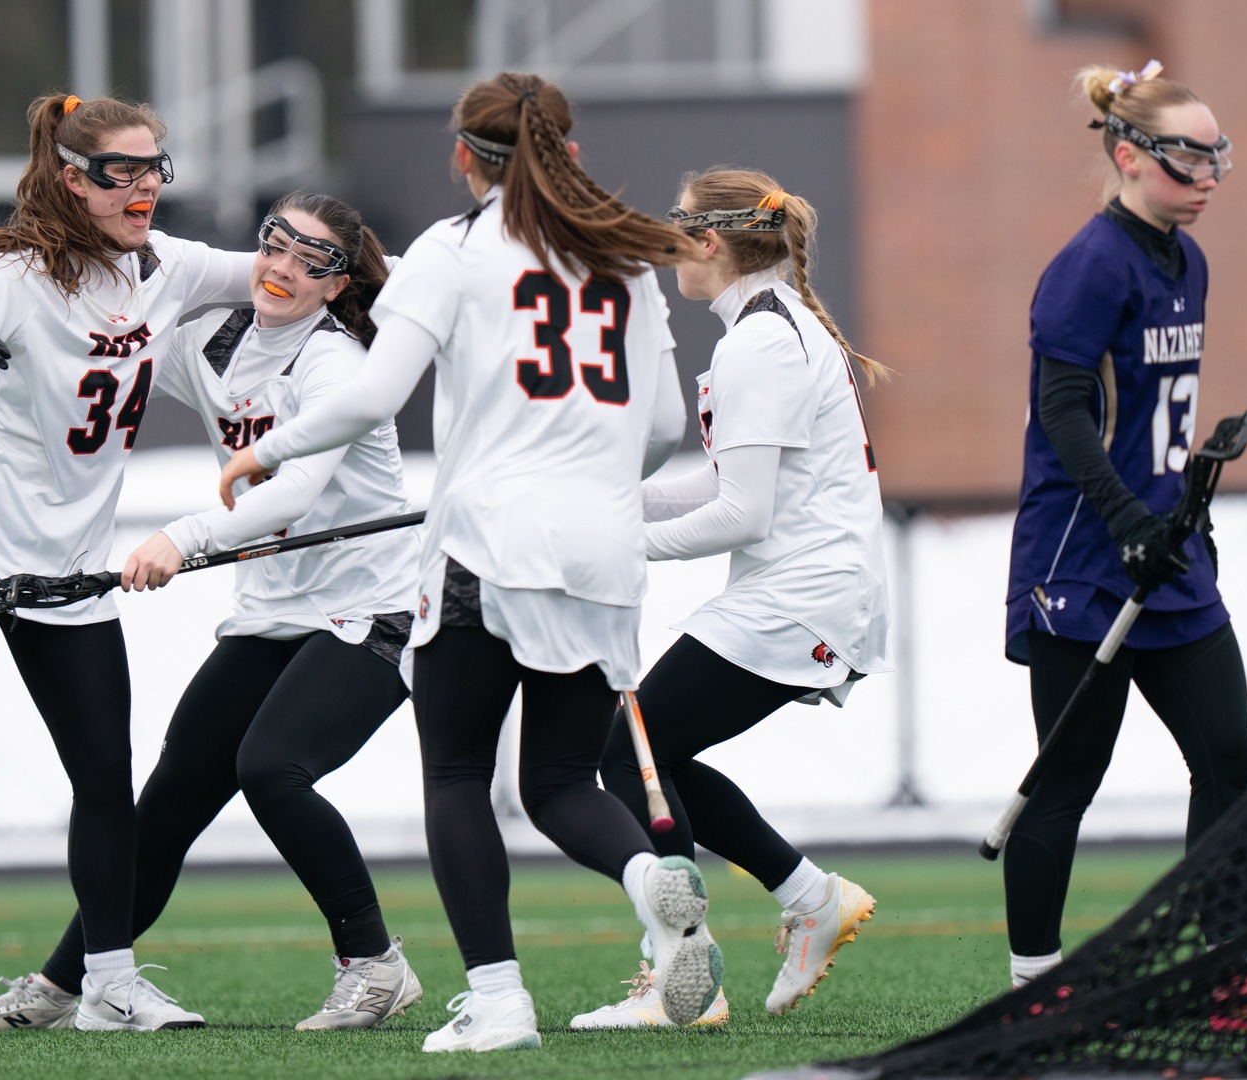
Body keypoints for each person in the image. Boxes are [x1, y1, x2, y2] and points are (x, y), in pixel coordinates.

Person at [216, 71, 718, 1053]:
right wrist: (591, 469)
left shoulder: (451, 250)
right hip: (604, 547)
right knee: (566, 781)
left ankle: (498, 1004)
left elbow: (371, 397)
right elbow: (660, 425)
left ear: (463, 158)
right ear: (568, 153)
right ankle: (643, 879)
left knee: (453, 774)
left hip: (485, 543)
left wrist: (264, 449)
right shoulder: (627, 258)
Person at [0, 192, 427, 1034]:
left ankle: (374, 963)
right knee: (167, 804)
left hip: (367, 609)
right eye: (276, 246)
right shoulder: (214, 340)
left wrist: (183, 539)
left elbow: (294, 487)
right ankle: (62, 986)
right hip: (273, 610)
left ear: (338, 286)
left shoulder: (336, 365)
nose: (284, 270)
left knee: (273, 768)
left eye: (313, 262)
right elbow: (88, 359)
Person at [0, 91, 255, 1040]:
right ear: (71, 178)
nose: (145, 187)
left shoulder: (168, 269)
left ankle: (111, 982)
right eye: (121, 170)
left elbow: (283, 273)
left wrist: (444, 275)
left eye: (155, 167)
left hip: (67, 559)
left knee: (103, 774)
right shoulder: (9, 275)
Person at [580, 166, 891, 1030]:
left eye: (678, 225)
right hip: (797, 590)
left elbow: (742, 513)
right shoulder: (766, 324)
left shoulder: (756, 341)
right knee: (647, 752)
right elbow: (730, 485)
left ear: (709, 240)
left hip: (801, 597)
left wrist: (613, 539)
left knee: (630, 753)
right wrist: (612, 499)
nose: (671, 240)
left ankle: (686, 976)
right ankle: (806, 898)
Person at [1002, 61, 1247, 991]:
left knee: (1228, 756)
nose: (1208, 181)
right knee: (1066, 780)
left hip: (1166, 554)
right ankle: (1035, 986)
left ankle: (1229, 969)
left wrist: (1182, 510)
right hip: (1084, 555)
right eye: (1189, 162)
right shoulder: (1086, 268)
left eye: (1215, 160)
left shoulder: (1189, 260)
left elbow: (1155, 415)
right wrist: (1126, 519)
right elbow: (1064, 416)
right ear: (1128, 156)